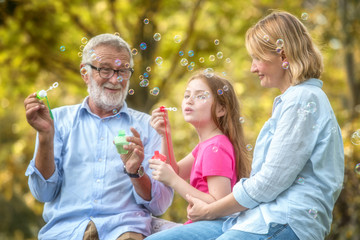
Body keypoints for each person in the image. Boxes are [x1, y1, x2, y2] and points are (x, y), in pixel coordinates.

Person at [145, 10, 344, 240]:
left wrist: (209, 210)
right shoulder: (291, 101)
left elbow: (269, 182)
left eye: (257, 58)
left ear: (284, 55)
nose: (252, 68)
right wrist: (165, 136)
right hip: (259, 217)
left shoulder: (303, 99)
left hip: (285, 220)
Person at [24, 33, 173, 240]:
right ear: (85, 73)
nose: (115, 79)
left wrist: (136, 172)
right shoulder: (56, 121)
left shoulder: (149, 127)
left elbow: (160, 204)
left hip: (123, 230)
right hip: (65, 233)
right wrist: (45, 137)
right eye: (105, 69)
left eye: (123, 71)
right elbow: (42, 193)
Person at [148, 72, 250, 225]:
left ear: (221, 109)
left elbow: (220, 204)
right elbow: (176, 171)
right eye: (187, 95)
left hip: (213, 226)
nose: (190, 100)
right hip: (203, 224)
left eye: (200, 96)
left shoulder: (215, 147)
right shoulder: (206, 145)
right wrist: (165, 135)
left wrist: (173, 180)